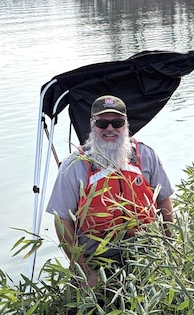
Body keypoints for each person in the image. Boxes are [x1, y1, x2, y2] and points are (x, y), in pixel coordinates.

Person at [47, 95, 174, 287]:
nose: (110, 129)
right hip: (95, 259)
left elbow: (164, 200)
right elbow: (62, 220)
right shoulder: (74, 165)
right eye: (102, 123)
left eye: (117, 122)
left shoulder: (146, 155)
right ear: (92, 124)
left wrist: (170, 248)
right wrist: (83, 271)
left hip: (145, 251)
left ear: (126, 124)